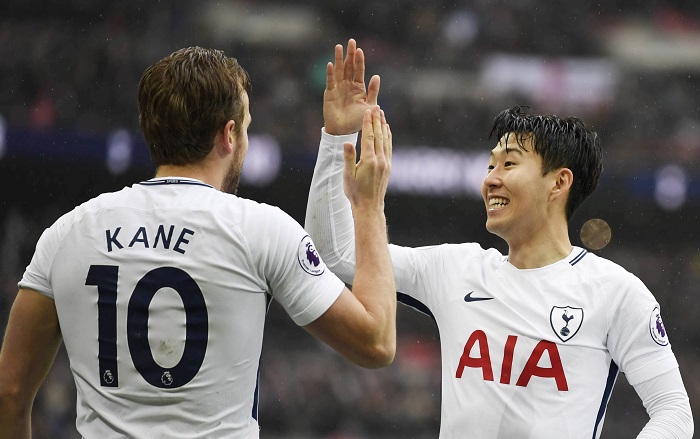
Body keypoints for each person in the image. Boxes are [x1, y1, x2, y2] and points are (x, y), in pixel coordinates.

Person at [0, 42, 395, 439]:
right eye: (247, 127)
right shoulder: (259, 228)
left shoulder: (68, 232)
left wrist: (336, 137)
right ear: (228, 135)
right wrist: (368, 205)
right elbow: (375, 342)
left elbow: (10, 392)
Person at [305, 45, 694, 438]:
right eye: (490, 165)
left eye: (508, 163)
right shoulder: (455, 270)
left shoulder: (617, 294)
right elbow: (333, 254)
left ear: (559, 182)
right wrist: (338, 138)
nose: (490, 178)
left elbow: (674, 412)